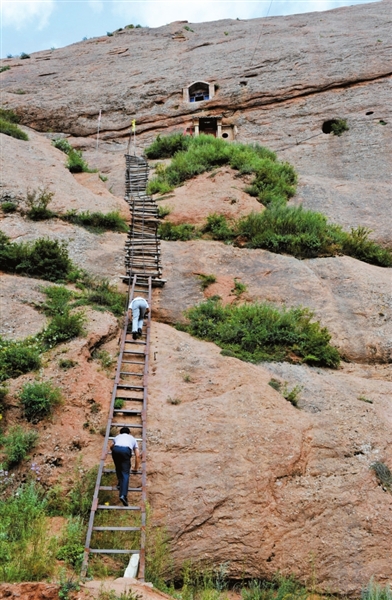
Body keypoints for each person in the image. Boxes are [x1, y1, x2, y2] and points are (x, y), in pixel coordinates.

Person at [111, 426, 140, 506]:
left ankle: (120, 483)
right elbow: (137, 455)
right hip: (125, 450)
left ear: (120, 433)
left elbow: (111, 446)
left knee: (118, 467)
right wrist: (135, 468)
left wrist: (114, 451)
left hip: (115, 450)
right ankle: (123, 495)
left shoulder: (117, 437)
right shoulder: (132, 439)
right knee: (125, 473)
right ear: (129, 433)